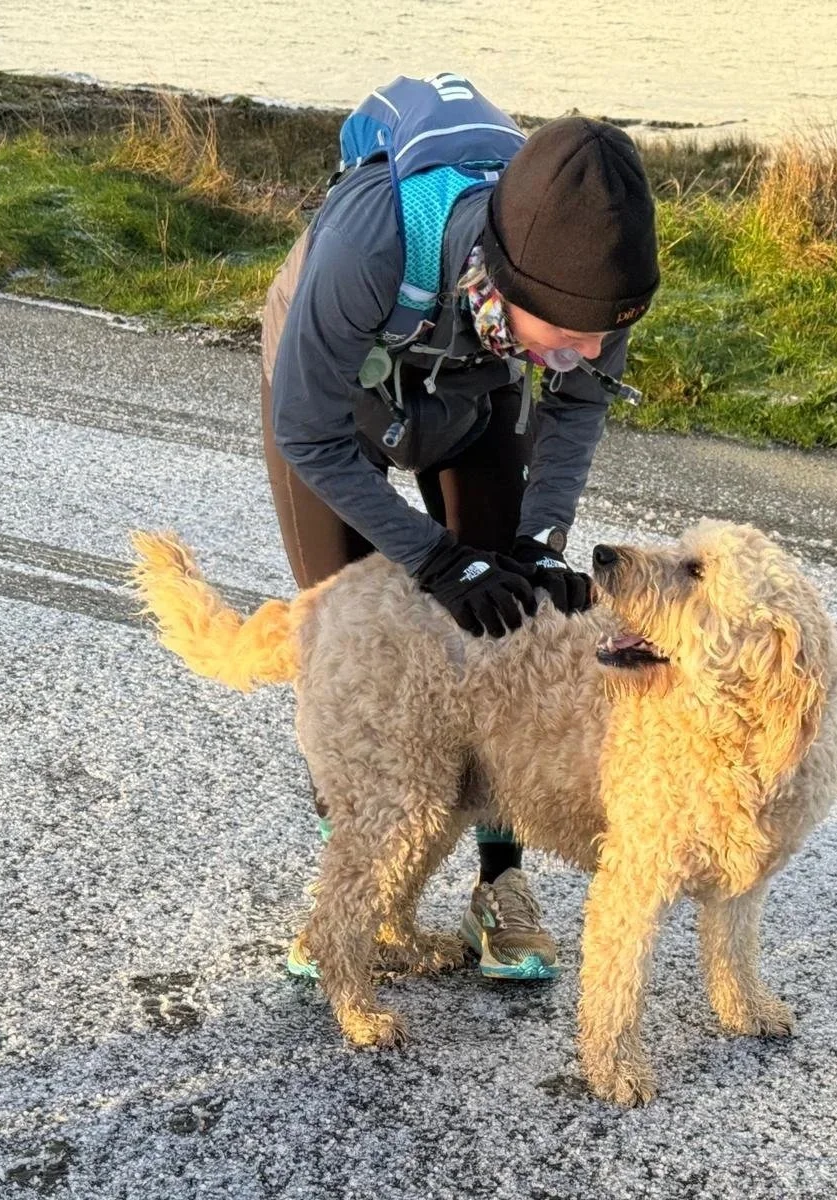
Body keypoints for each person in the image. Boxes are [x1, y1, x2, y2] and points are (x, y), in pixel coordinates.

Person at [259, 76, 659, 982]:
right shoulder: (372, 246)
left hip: (473, 387)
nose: (584, 353)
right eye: (566, 332)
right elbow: (308, 435)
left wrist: (538, 543)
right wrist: (436, 559)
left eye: (605, 335)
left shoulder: (594, 285)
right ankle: (358, 900)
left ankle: (499, 884)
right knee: (354, 650)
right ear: (503, 275)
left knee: (507, 635)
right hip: (335, 403)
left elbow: (577, 407)